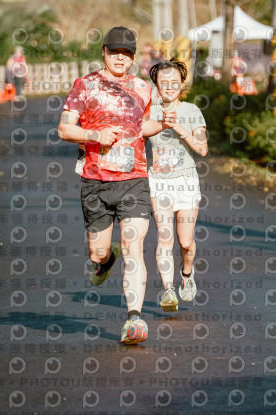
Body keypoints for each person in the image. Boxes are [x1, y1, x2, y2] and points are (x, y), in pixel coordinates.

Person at [57, 27, 173, 345]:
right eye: (114, 52)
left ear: (133, 57)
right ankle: (106, 260)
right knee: (98, 253)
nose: (120, 58)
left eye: (127, 53)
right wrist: (95, 135)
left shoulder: (142, 88)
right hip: (95, 181)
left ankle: (134, 319)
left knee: (134, 246)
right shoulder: (85, 85)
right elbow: (64, 129)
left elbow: (142, 125)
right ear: (104, 53)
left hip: (134, 179)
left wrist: (162, 123)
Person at [147, 58, 208, 312]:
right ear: (157, 86)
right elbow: (137, 135)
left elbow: (202, 149)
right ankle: (168, 291)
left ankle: (187, 273)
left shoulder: (192, 111)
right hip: (159, 182)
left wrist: (179, 127)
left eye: (174, 82)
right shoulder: (150, 111)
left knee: (185, 242)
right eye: (164, 82)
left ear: (182, 84)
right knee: (164, 237)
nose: (169, 87)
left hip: (186, 182)